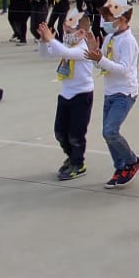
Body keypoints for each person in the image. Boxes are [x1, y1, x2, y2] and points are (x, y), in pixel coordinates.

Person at [85, 0, 139, 188]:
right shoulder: (110, 37)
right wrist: (95, 54)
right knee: (106, 132)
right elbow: (101, 66)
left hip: (125, 92)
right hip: (110, 91)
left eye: (109, 18)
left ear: (123, 19)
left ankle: (132, 161)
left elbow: (124, 68)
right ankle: (120, 167)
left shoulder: (128, 41)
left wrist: (100, 59)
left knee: (110, 131)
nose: (105, 22)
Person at [38, 10, 95, 181]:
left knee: (76, 135)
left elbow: (65, 53)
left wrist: (51, 39)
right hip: (65, 94)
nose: (65, 35)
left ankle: (79, 164)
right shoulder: (67, 46)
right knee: (60, 132)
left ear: (82, 33)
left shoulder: (83, 49)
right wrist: (43, 41)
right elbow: (46, 53)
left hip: (82, 95)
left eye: (69, 32)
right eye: (64, 31)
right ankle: (71, 157)